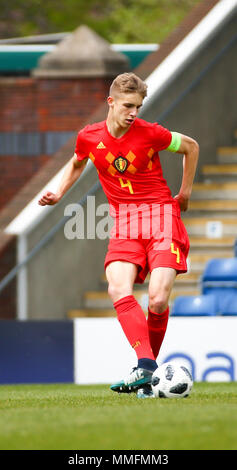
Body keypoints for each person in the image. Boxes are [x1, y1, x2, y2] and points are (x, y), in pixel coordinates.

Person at [38, 72, 199, 398]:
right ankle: (147, 367)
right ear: (111, 102)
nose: (133, 112)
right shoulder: (89, 136)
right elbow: (76, 162)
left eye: (138, 106)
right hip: (125, 222)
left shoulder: (151, 133)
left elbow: (191, 147)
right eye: (128, 105)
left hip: (161, 217)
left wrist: (183, 193)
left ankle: (145, 370)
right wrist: (58, 192)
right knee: (117, 287)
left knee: (157, 298)